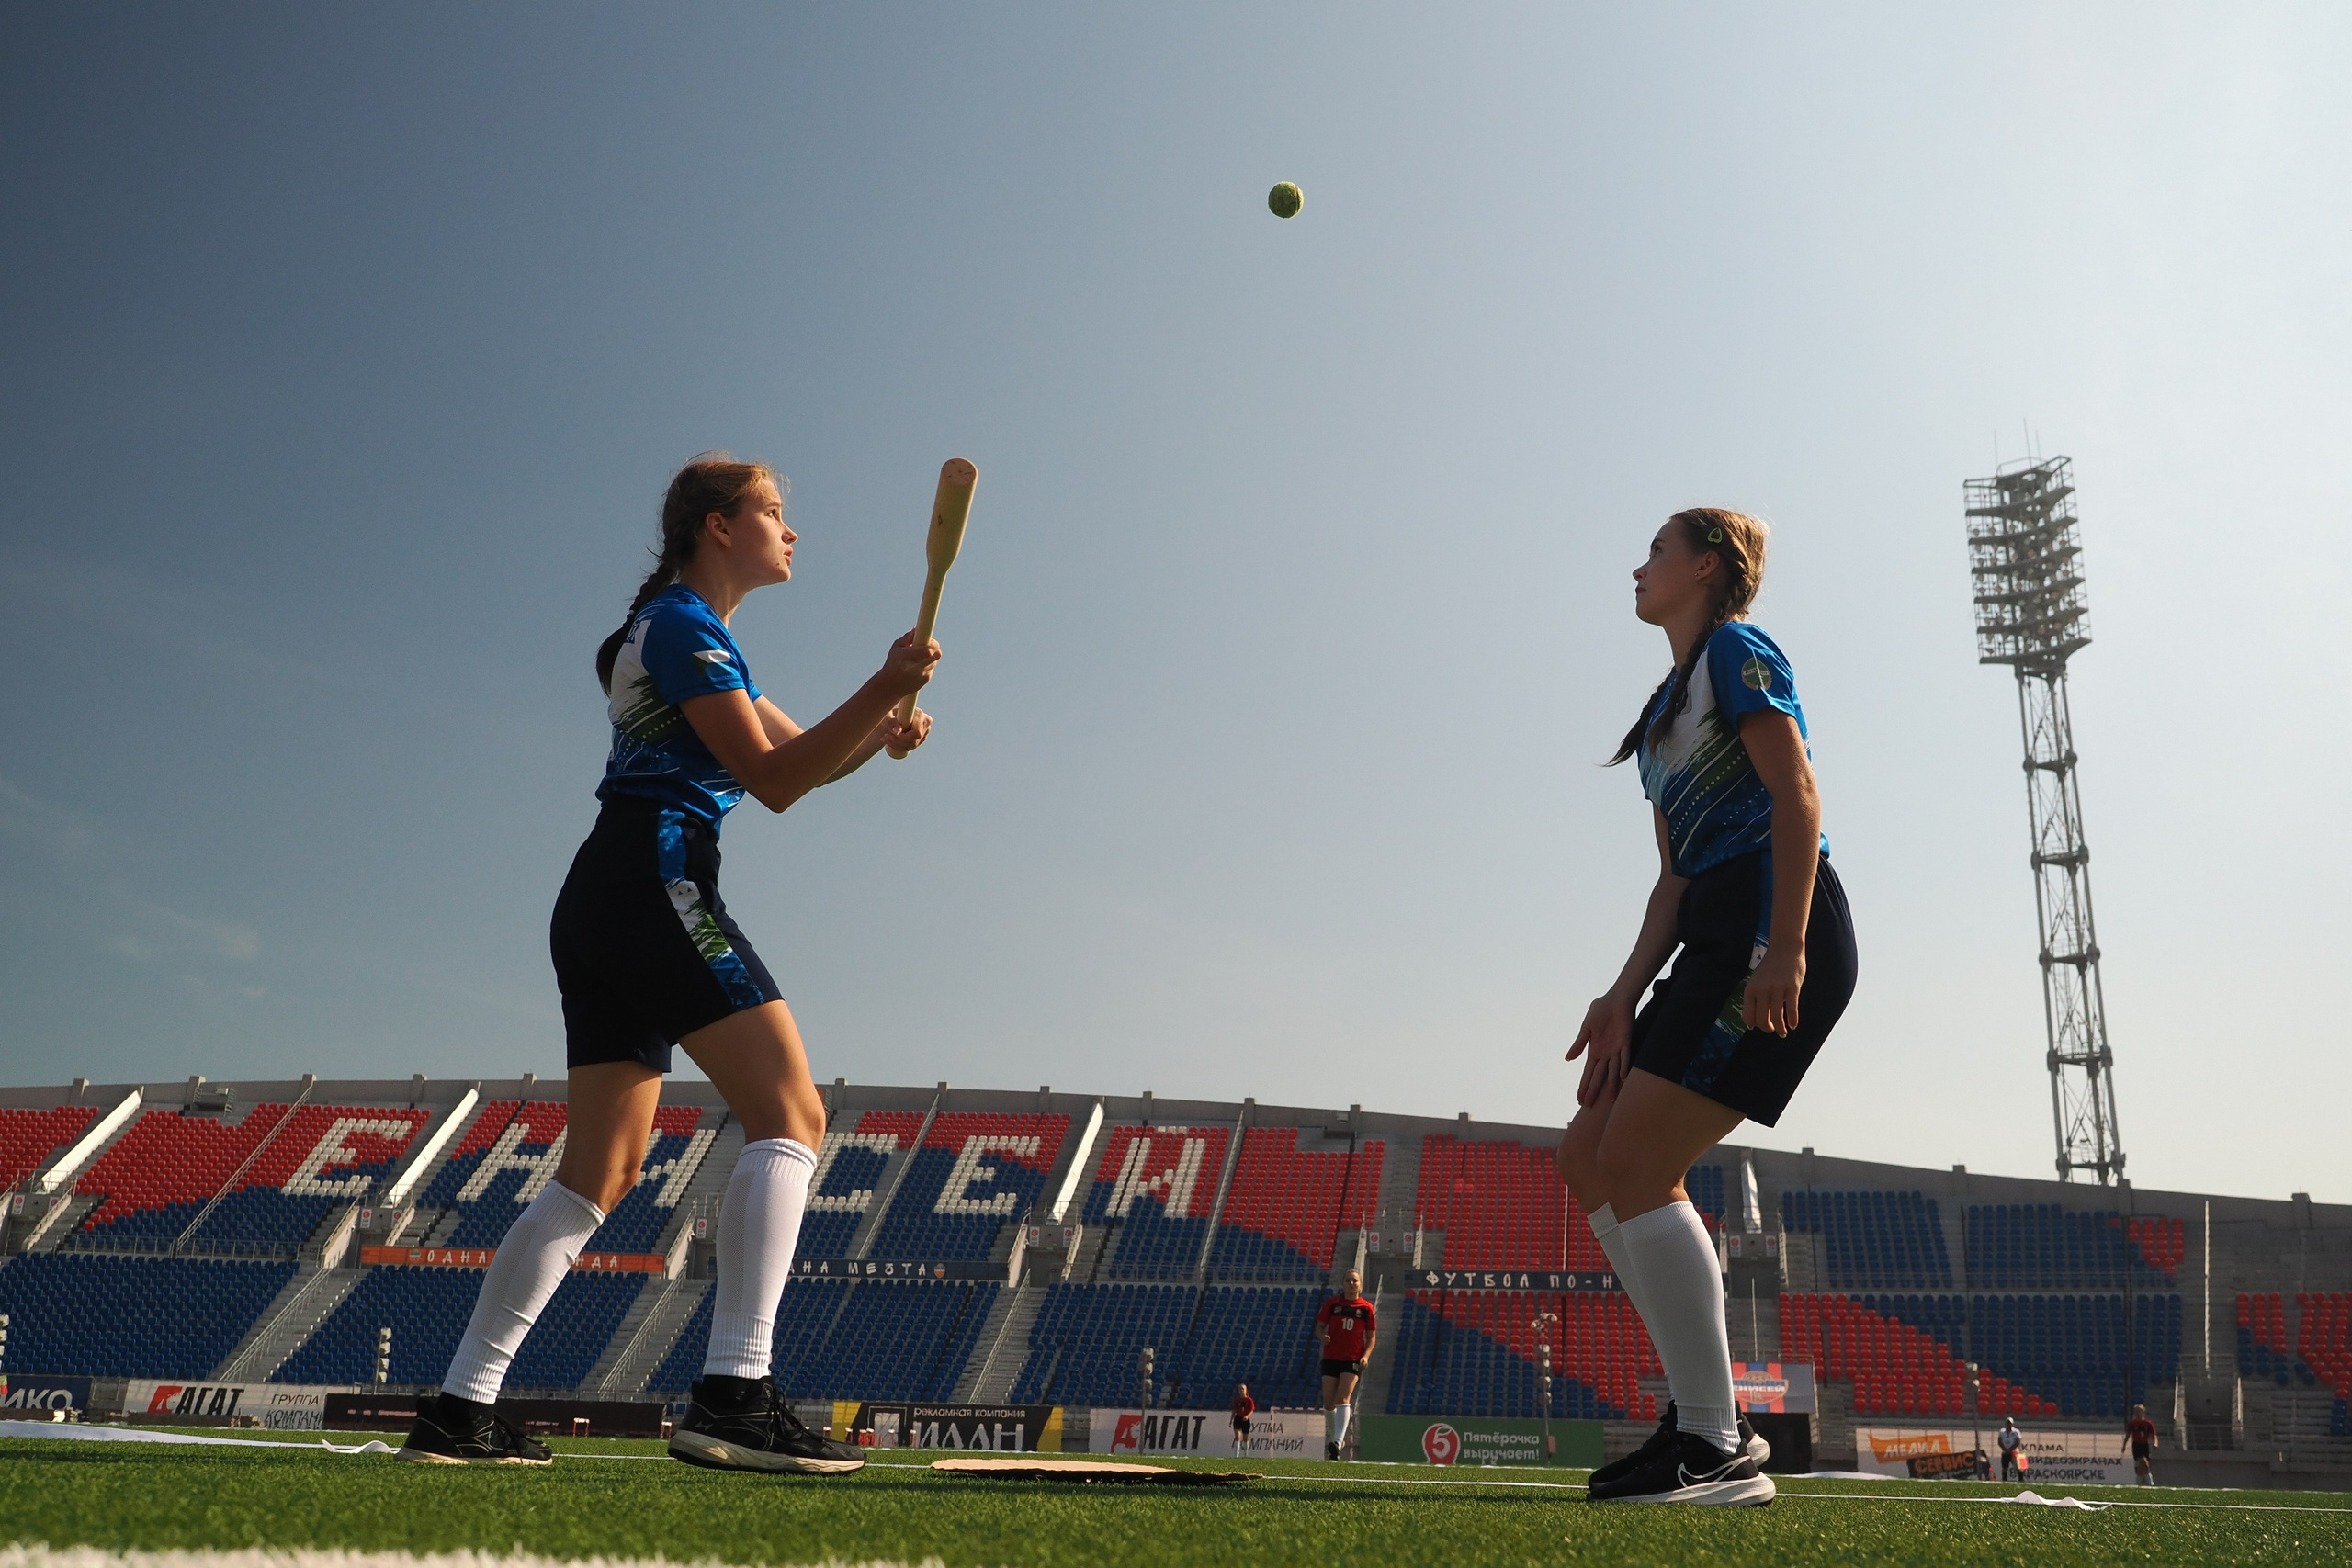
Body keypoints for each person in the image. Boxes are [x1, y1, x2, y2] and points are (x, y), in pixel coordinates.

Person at [399, 454, 940, 1471]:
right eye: (775, 512)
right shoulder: (688, 629)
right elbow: (775, 779)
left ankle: (459, 1409)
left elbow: (801, 754)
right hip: (656, 886)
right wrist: (882, 681)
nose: (792, 531)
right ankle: (737, 1391)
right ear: (716, 524)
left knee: (598, 1172)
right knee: (792, 1114)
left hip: (603, 900)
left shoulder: (678, 632)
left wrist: (884, 725)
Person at [1555, 510, 1859, 1507]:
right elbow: (1671, 885)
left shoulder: (1737, 649)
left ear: (1705, 567)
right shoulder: (1657, 714)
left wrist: (1786, 943)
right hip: (1709, 932)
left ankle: (1718, 1442)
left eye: (1653, 550)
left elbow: (1796, 797)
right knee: (1587, 1151)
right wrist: (1619, 994)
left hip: (1774, 918)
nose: (1635, 567)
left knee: (1641, 1158)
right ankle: (1695, 1421)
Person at [1317, 1268, 1376, 1460]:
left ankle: (1337, 1442)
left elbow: (1371, 1336)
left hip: (1352, 1359)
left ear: (1361, 1285)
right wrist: (1322, 1336)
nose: (1352, 1284)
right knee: (1328, 1403)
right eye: (1348, 1280)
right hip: (1331, 1356)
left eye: (1355, 1281)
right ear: (1343, 1284)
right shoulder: (1333, 1304)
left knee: (1343, 1398)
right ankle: (1336, 1439)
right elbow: (1319, 1327)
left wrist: (1365, 1355)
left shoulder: (1366, 1308)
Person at [2124, 1403, 2158, 1485]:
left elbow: (2154, 1435)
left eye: (2139, 1411)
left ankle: (2138, 1483)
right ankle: (2151, 1483)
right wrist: (2124, 1445)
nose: (2137, 1414)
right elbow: (2128, 1434)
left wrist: (2156, 1443)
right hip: (2137, 1445)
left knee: (2141, 1468)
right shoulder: (2132, 1423)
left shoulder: (2148, 1424)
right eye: (2136, 1412)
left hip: (2145, 1445)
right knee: (2144, 1462)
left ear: (2143, 1412)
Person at [1229, 1382, 1256, 1459]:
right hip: (1238, 1418)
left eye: (1243, 1389)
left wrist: (1247, 1416)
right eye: (1240, 1389)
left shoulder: (1249, 1400)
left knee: (1245, 1438)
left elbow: (1252, 1410)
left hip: (1245, 1419)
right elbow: (1234, 1410)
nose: (1241, 1390)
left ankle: (1245, 1454)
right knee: (1237, 1437)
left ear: (1246, 1390)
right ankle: (1236, 1456)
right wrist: (1231, 1420)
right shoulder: (1237, 1400)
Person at [1996, 1416, 2024, 1482]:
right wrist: (2005, 1449)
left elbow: (2018, 1441)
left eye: (2010, 1423)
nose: (2008, 1425)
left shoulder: (2016, 1432)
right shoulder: (2002, 1432)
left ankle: (2021, 1480)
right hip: (2005, 1452)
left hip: (2014, 1452)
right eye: (2007, 1423)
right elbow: (1999, 1441)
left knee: (2018, 1467)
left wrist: (2011, 1449)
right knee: (2004, 1467)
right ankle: (2004, 1480)